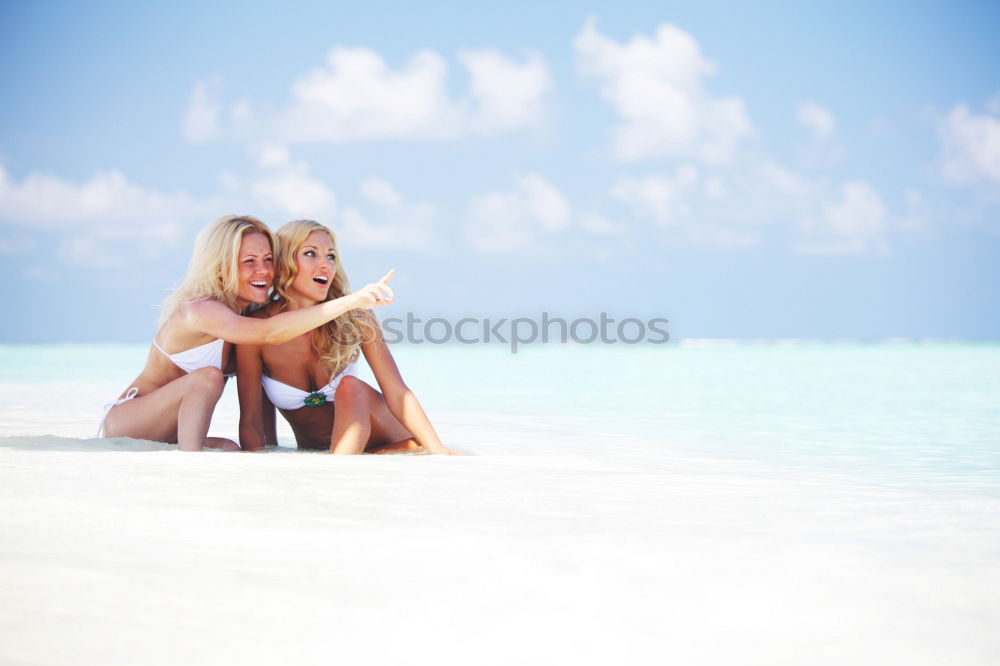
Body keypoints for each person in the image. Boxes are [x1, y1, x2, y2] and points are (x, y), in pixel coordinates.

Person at [99, 214, 395, 451]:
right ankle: (190, 466)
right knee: (208, 378)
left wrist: (267, 454)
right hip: (130, 422)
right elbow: (268, 333)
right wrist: (352, 301)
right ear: (221, 267)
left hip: (172, 432)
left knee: (230, 449)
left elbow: (260, 398)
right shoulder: (201, 309)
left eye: (268, 260)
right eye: (249, 262)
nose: (263, 271)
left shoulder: (245, 315)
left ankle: (191, 455)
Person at [236, 219, 461, 455]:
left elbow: (398, 391)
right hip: (341, 456)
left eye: (331, 256)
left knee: (350, 387)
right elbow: (251, 422)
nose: (325, 265)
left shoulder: (355, 315)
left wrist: (437, 450)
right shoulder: (257, 329)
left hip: (396, 447)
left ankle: (338, 471)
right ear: (282, 265)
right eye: (311, 253)